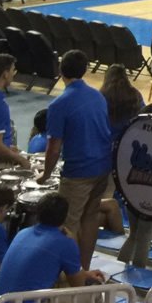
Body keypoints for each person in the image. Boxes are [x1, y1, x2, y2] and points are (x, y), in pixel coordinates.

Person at [38, 50, 115, 268]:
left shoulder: (59, 104)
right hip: (103, 166)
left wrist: (45, 175)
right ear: (85, 70)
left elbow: (53, 148)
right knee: (90, 217)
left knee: (67, 224)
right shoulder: (98, 95)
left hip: (79, 171)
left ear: (61, 70)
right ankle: (84, 267)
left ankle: (71, 274)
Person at [0, 194, 106, 303]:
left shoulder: (23, 233)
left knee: (60, 280)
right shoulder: (65, 242)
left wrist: (85, 274)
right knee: (95, 291)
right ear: (65, 216)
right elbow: (78, 285)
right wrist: (73, 242)